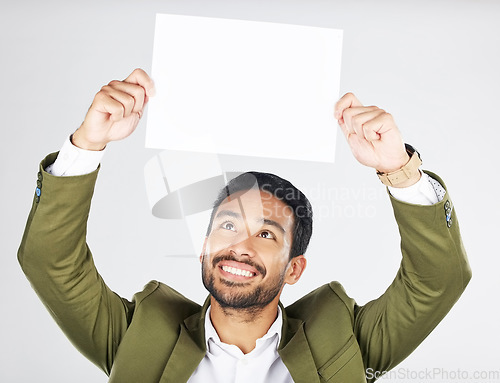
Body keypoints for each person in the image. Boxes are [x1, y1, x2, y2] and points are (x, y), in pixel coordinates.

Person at [18, 68, 471, 383]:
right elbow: (51, 261)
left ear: (295, 269)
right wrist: (88, 144)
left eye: (268, 234)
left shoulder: (344, 340)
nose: (241, 246)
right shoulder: (138, 334)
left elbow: (438, 279)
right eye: (229, 225)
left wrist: (398, 169)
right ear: (203, 248)